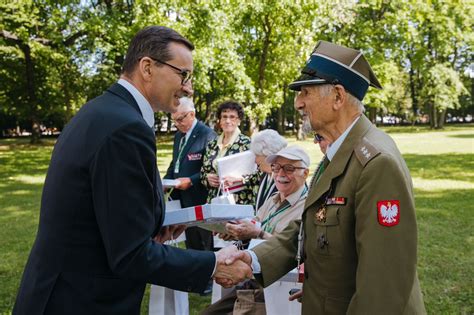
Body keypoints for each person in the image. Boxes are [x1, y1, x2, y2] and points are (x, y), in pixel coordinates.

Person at [13, 26, 250, 315]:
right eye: (183, 74)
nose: (188, 87)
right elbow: (131, 255)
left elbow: (101, 212)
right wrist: (214, 264)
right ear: (147, 67)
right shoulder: (126, 128)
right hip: (80, 300)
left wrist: (152, 224)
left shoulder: (103, 111)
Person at [228, 40, 426, 314]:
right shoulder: (340, 150)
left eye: (305, 92)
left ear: (337, 97)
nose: (298, 103)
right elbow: (312, 224)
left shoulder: (377, 163)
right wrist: (253, 259)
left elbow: (383, 284)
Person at [203, 146, 310, 315]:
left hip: (279, 284)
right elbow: (255, 226)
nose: (280, 174)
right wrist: (235, 233)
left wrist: (257, 233)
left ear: (305, 173)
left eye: (289, 168)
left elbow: (295, 248)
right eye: (276, 168)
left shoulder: (308, 207)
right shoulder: (272, 199)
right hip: (252, 277)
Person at [165, 97, 217, 253]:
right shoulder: (179, 135)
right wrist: (165, 182)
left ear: (192, 114)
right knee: (191, 243)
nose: (177, 124)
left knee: (205, 244)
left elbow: (211, 169)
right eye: (174, 120)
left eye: (180, 119)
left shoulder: (207, 134)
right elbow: (175, 163)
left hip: (199, 198)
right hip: (181, 197)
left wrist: (192, 180)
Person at [200, 100, 256, 205]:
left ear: (239, 120)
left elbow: (257, 175)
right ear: (220, 120)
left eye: (232, 117)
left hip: (239, 201)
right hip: (215, 200)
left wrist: (240, 180)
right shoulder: (211, 145)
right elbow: (203, 172)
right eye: (224, 117)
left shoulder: (248, 144)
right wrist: (207, 179)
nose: (227, 121)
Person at [250, 129, 288, 212]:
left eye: (257, 155)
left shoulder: (286, 179)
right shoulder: (265, 174)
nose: (255, 160)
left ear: (268, 155)